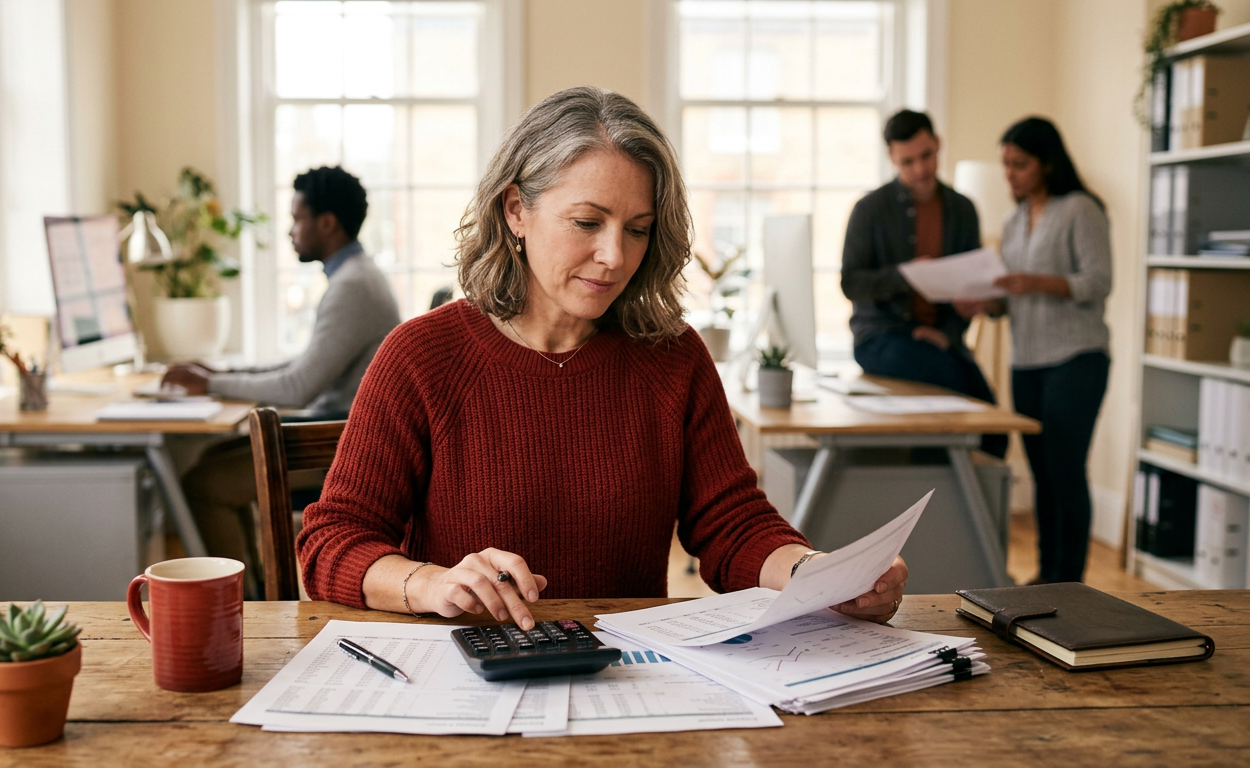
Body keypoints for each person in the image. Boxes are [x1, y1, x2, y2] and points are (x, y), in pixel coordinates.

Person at [296, 87, 908, 630]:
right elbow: (331, 542)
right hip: (464, 684)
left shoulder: (673, 359)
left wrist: (819, 574)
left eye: (637, 229)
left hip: (631, 682)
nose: (614, 256)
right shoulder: (421, 356)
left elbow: (733, 526)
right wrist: (429, 582)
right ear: (516, 211)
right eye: (587, 222)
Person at [163, 166, 400, 588]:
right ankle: (254, 591)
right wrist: (221, 373)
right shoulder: (355, 275)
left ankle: (250, 606)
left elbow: (297, 387)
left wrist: (211, 384)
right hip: (331, 429)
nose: (291, 231)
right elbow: (302, 365)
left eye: (297, 219)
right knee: (210, 461)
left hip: (337, 443)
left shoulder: (352, 287)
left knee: (203, 484)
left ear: (326, 223)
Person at [957, 117, 1111, 584]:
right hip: (1027, 363)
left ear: (1047, 162)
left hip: (1075, 359)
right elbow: (1011, 301)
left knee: (1067, 471)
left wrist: (1036, 283)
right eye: (1005, 165)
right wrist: (989, 302)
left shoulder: (1080, 210)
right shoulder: (1015, 219)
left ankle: (1072, 580)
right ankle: (1048, 573)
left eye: (1019, 164)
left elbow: (1099, 281)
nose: (1010, 174)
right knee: (1042, 473)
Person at [841, 109, 1006, 458]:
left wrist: (949, 330)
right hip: (882, 337)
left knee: (994, 426)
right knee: (951, 386)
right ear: (892, 158)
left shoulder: (962, 210)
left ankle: (970, 504)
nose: (920, 170)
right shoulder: (869, 210)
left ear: (938, 145)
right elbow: (851, 283)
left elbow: (971, 281)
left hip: (942, 340)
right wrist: (905, 275)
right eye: (908, 162)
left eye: (926, 156)